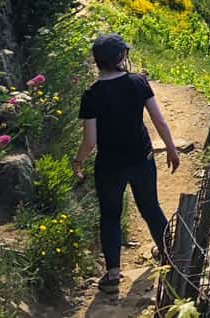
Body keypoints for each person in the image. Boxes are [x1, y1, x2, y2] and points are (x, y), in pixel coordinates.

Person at [72, 33, 180, 293]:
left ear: (97, 61)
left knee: (110, 216)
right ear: (121, 56)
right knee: (150, 208)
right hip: (141, 158)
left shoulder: (91, 95)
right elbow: (159, 120)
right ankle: (170, 255)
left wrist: (78, 160)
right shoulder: (138, 82)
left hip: (109, 166)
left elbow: (90, 141)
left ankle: (112, 274)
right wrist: (171, 148)